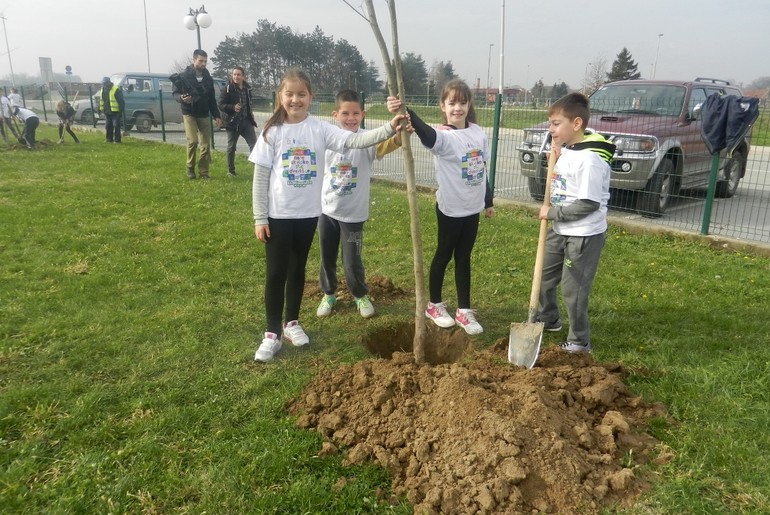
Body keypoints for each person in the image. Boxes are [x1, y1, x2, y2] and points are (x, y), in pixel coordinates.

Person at [249, 69, 406, 363]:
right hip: (278, 216)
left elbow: (357, 141)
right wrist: (261, 217)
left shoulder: (319, 129)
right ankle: (272, 333)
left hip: (308, 216)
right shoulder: (272, 132)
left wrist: (389, 128)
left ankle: (292, 323)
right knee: (276, 273)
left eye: (302, 94)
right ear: (280, 97)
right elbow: (261, 177)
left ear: (310, 97)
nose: (295, 100)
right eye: (289, 94)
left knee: (297, 270)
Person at [389, 79, 494, 336]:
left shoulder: (478, 133)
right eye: (452, 103)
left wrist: (487, 201)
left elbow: (481, 169)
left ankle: (464, 310)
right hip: (450, 209)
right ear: (443, 106)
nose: (457, 107)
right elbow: (426, 132)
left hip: (472, 209)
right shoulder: (444, 138)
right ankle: (433, 305)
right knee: (444, 254)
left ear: (469, 104)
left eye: (462, 102)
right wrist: (406, 111)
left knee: (464, 257)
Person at [536, 92, 615, 353]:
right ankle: (549, 319)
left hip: (583, 234)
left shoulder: (590, 160)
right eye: (550, 123)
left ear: (577, 124)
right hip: (561, 230)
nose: (551, 129)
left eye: (556, 124)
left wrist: (552, 213)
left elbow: (588, 203)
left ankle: (579, 341)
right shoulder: (570, 150)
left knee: (574, 290)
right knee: (545, 278)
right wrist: (556, 159)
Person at [315, 90, 404, 320]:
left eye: (356, 113)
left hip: (353, 216)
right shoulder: (328, 140)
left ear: (363, 115)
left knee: (352, 259)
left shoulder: (368, 139)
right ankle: (329, 293)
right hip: (327, 211)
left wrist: (401, 134)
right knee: (327, 256)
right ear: (335, 114)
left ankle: (359, 294)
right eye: (345, 113)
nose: (351, 117)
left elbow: (390, 143)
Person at [171, 49, 222, 180]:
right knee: (193, 141)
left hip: (204, 113)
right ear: (194, 60)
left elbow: (212, 99)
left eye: (205, 61)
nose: (203, 63)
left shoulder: (208, 79)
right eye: (201, 61)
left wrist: (217, 115)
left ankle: (204, 172)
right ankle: (190, 167)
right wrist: (182, 98)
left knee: (205, 144)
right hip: (189, 113)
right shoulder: (183, 77)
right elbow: (175, 94)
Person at [218, 66, 258, 177]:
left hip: (246, 121)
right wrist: (232, 107)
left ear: (243, 76)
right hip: (233, 122)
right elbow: (221, 105)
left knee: (254, 145)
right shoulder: (227, 88)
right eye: (234, 74)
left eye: (238, 74)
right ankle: (231, 171)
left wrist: (251, 117)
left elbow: (249, 104)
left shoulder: (247, 89)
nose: (236, 77)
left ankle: (257, 171)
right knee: (231, 147)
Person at [97, 76, 125, 143]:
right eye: (102, 84)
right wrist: (99, 109)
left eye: (104, 83)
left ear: (108, 83)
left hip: (115, 112)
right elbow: (101, 100)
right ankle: (109, 139)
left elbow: (121, 102)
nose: (103, 85)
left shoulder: (116, 90)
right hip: (107, 111)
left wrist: (120, 112)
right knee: (108, 126)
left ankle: (117, 140)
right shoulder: (102, 90)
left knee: (116, 126)